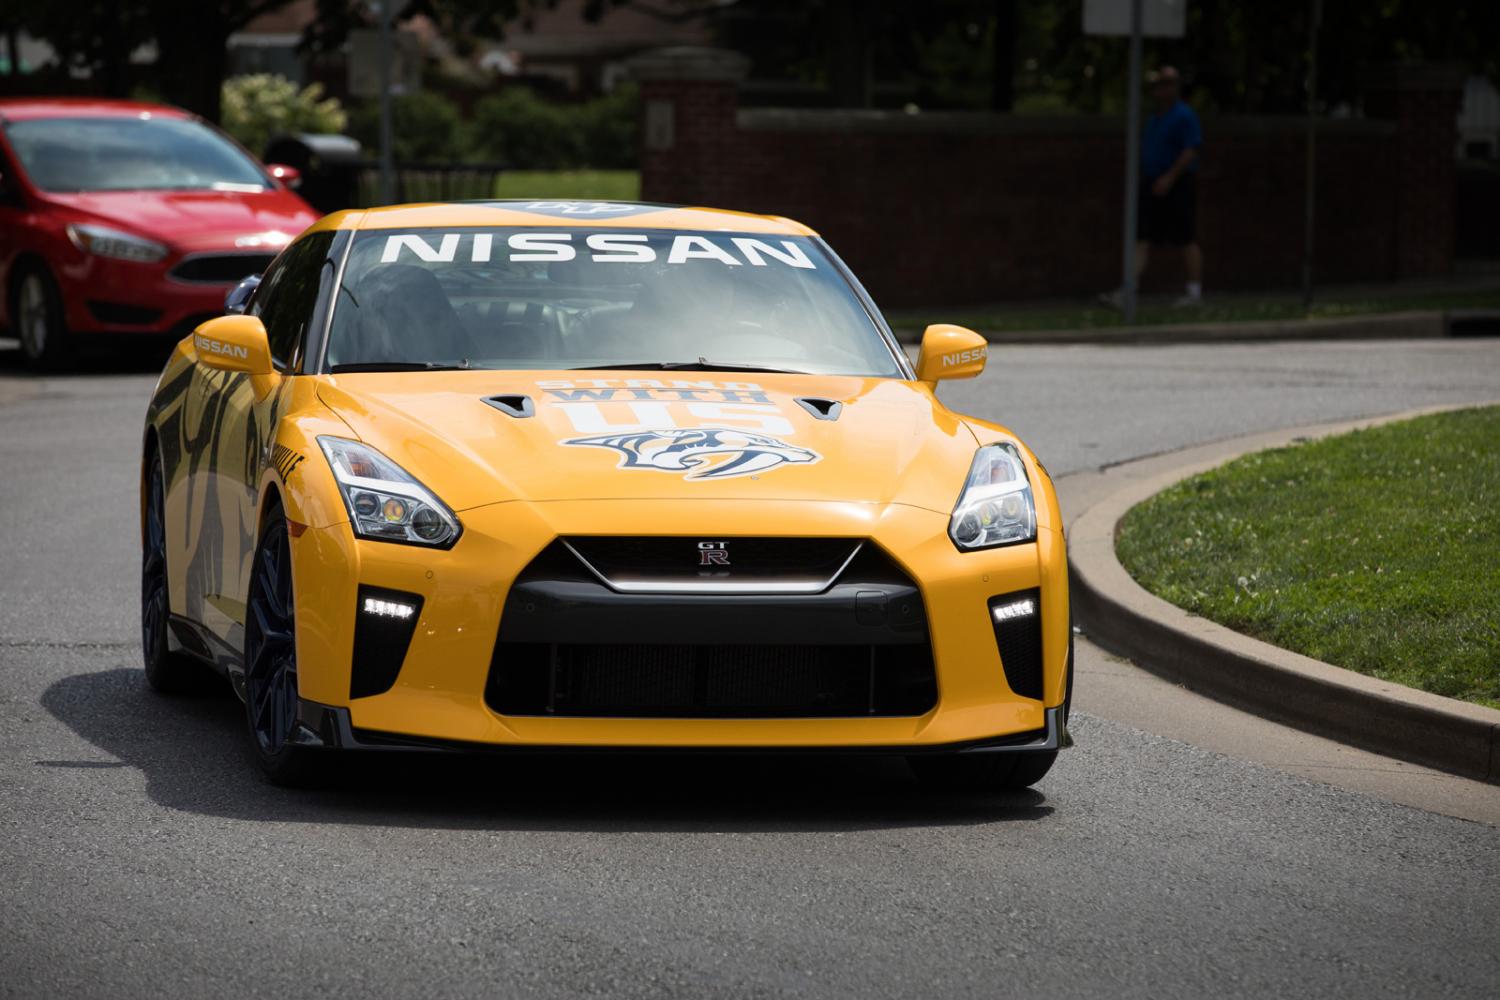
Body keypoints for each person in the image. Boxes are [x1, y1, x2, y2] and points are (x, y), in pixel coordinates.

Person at [1103, 65, 1205, 308]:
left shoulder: (1184, 115)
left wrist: (1170, 177)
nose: (1161, 90)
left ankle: (1194, 293)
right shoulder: (1155, 118)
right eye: (1158, 85)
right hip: (1152, 183)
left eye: (1166, 84)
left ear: (1176, 87)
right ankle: (1129, 290)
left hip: (1177, 183)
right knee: (1142, 236)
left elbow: (1191, 149)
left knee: (1185, 237)